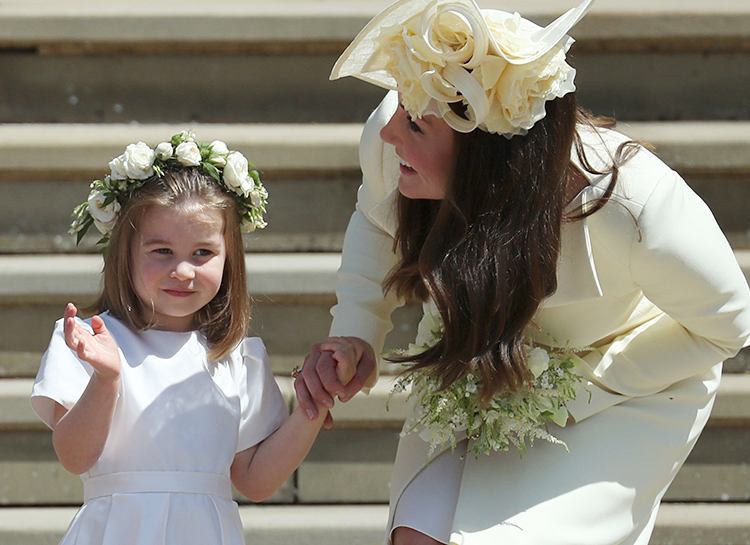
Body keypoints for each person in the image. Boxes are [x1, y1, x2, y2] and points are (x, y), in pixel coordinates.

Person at [294, 0, 750, 544]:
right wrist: (356, 329)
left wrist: (569, 388)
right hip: (477, 353)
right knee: (418, 535)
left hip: (628, 387)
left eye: (415, 124)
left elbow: (727, 326)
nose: (390, 133)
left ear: (487, 153)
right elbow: (375, 219)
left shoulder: (631, 205)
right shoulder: (396, 140)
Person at [30, 131, 355, 545]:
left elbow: (255, 480)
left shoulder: (238, 357)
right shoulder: (90, 341)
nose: (183, 271)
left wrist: (315, 400)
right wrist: (106, 379)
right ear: (124, 252)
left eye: (202, 253)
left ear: (229, 257)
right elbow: (75, 457)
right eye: (162, 251)